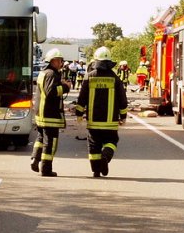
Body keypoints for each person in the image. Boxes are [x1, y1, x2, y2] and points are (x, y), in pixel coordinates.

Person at [75, 46, 128, 178]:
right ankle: (106, 155)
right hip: (110, 122)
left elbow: (82, 97)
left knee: (94, 145)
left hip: (93, 121)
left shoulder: (89, 77)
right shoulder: (115, 78)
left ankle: (96, 170)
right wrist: (123, 116)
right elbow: (122, 98)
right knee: (112, 141)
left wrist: (79, 114)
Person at [31, 48, 72, 177]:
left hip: (41, 113)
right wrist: (66, 87)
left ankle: (35, 159)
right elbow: (51, 92)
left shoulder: (44, 73)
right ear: (54, 61)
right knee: (50, 142)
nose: (61, 63)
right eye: (60, 60)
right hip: (50, 115)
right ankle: (46, 169)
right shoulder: (51, 74)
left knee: (40, 138)